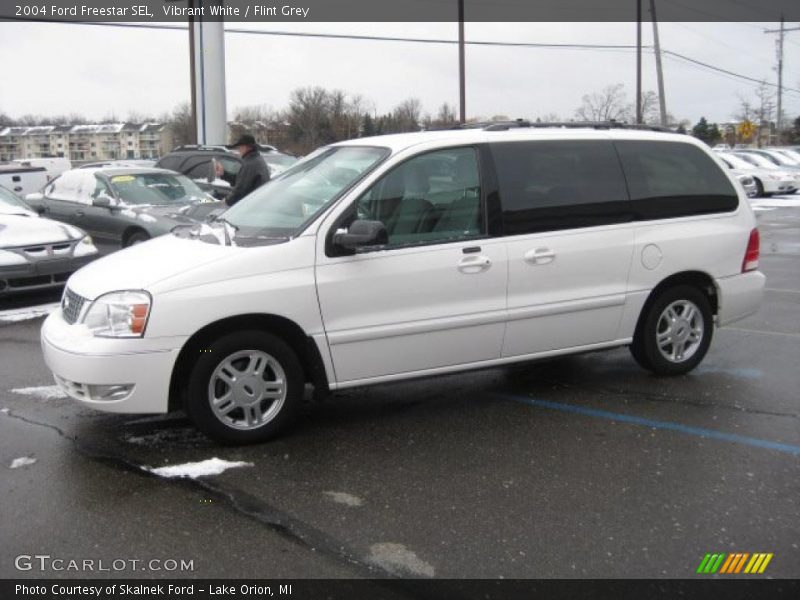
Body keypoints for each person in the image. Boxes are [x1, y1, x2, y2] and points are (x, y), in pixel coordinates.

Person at [218, 133, 270, 207]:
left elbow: (240, 189)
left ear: (247, 147)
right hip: (258, 203)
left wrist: (226, 202)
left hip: (252, 206)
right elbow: (243, 180)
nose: (238, 150)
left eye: (239, 147)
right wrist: (224, 174)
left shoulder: (250, 163)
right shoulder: (256, 159)